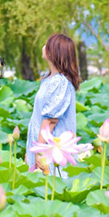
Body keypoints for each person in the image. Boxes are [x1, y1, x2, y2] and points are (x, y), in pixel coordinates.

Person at [25, 33, 81, 177]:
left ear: (54, 52)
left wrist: (39, 151)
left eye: (47, 44)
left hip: (50, 149)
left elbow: (51, 120)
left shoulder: (60, 82)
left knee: (50, 188)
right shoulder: (49, 79)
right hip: (40, 144)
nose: (43, 47)